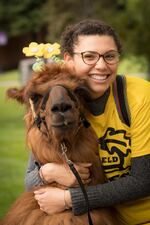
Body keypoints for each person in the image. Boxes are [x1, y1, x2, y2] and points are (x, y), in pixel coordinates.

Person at [25, 19, 150, 225]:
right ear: (68, 59)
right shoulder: (61, 104)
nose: (101, 66)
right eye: (89, 56)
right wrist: (48, 172)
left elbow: (144, 180)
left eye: (109, 56)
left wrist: (69, 199)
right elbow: (29, 179)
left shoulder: (139, 96)